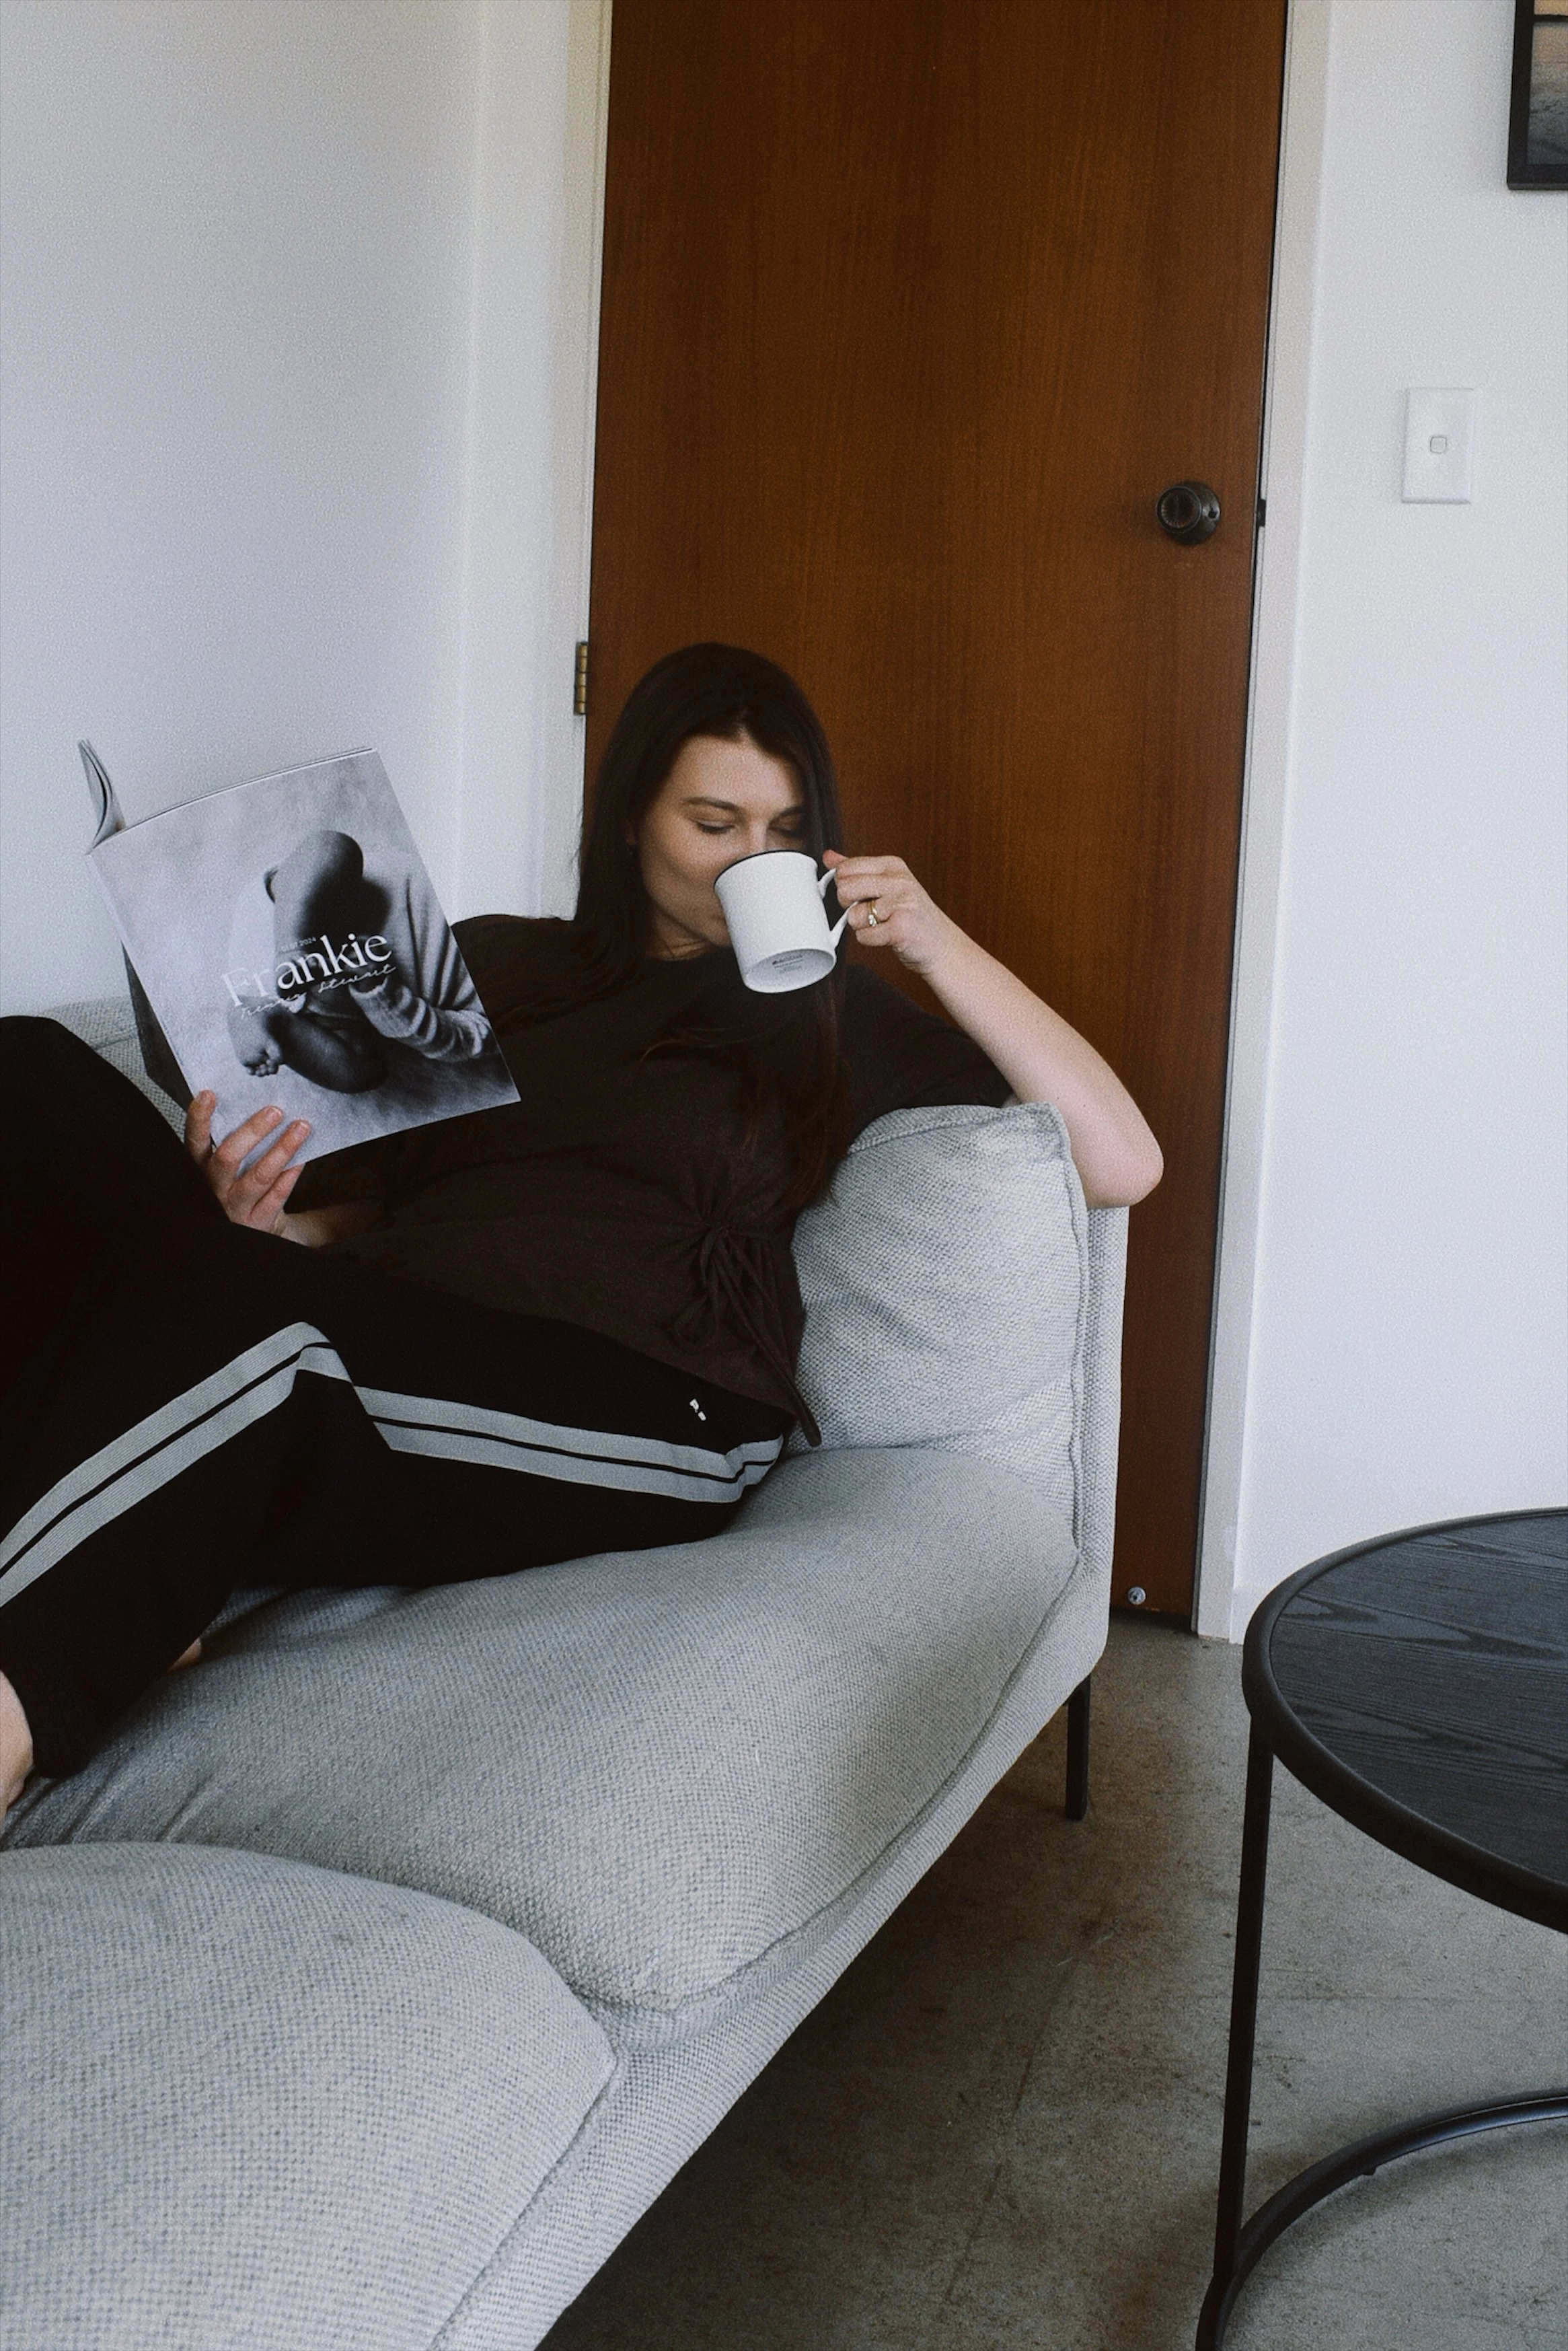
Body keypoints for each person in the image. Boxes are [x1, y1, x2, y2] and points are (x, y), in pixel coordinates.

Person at [0, 644, 1159, 1818]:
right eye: (714, 822)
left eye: (784, 828)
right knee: (31, 1076)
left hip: (647, 1393)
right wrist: (264, 1225)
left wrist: (929, 942)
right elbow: (385, 1206)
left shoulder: (828, 1014)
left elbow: (1120, 1160)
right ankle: (138, 1586)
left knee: (257, 1336)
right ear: (627, 823)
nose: (754, 859)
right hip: (408, 1337)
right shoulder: (501, 960)